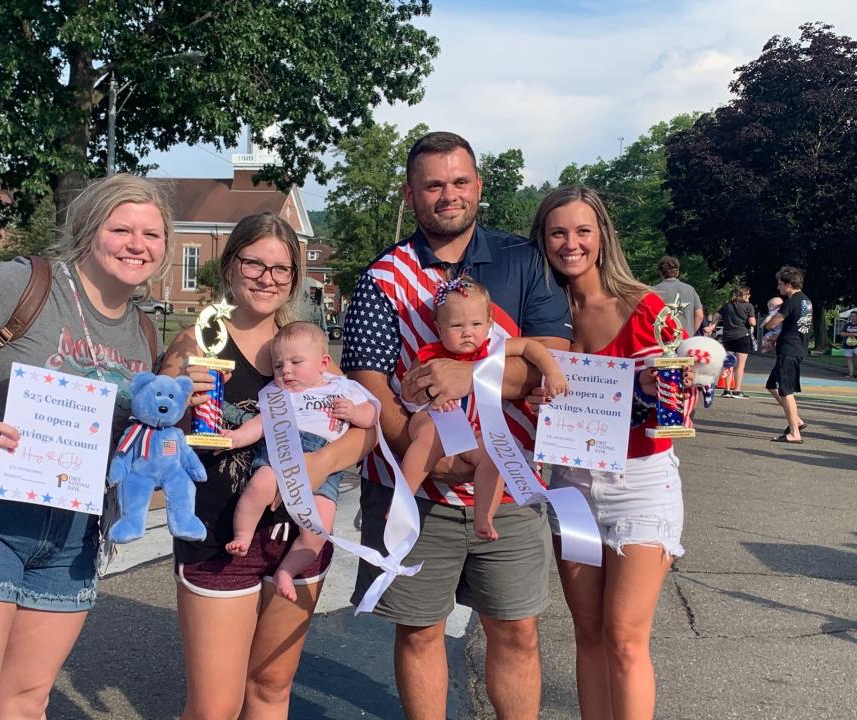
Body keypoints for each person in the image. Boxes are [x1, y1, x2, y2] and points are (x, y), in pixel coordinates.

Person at [0, 173, 173, 719]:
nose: (137, 244)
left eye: (152, 234)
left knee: (25, 702)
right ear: (90, 229)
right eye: (121, 229)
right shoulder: (23, 283)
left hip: (67, 533)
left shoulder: (145, 333)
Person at [342, 130, 572, 719]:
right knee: (420, 631)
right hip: (416, 487)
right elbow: (370, 386)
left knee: (516, 630)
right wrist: (431, 463)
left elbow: (550, 370)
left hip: (510, 478)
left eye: (460, 181)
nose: (449, 194)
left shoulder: (527, 263)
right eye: (434, 184)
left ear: (479, 186)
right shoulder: (381, 279)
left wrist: (476, 375)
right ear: (411, 194)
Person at [160, 213, 376, 720]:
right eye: (254, 263)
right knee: (215, 706)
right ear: (230, 266)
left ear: (295, 278)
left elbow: (363, 431)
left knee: (272, 687)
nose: (268, 278)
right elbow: (158, 413)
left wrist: (318, 464)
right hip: (218, 532)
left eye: (282, 269)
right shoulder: (198, 342)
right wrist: (175, 394)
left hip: (297, 533)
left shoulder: (308, 349)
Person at [530, 186, 689, 720]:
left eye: (582, 231)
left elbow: (682, 407)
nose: (570, 244)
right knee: (589, 633)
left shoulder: (646, 307)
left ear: (602, 237)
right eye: (558, 232)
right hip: (570, 484)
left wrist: (651, 389)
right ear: (543, 240)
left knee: (624, 637)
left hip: (638, 484)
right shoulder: (540, 314)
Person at [400, 275, 569, 541]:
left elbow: (530, 347)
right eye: (456, 325)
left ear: (489, 323)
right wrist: (424, 399)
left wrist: (553, 373)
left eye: (476, 324)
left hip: (472, 433)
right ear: (438, 327)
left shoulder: (492, 350)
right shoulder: (429, 356)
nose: (468, 332)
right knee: (429, 435)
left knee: (496, 453)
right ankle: (402, 499)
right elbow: (409, 398)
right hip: (434, 422)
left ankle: (483, 517)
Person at [223, 321, 376, 601]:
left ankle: (287, 570)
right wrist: (234, 437)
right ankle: (243, 534)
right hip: (283, 451)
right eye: (278, 366)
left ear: (323, 363)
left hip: (326, 464)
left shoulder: (343, 387)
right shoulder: (279, 395)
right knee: (261, 484)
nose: (286, 371)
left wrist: (354, 412)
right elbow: (260, 423)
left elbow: (371, 418)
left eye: (296, 362)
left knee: (320, 526)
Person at [764, 266, 812, 444]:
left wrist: (769, 323)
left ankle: (794, 432)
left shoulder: (790, 302)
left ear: (789, 285)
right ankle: (796, 421)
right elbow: (796, 325)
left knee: (786, 391)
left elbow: (771, 324)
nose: (778, 288)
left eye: (780, 285)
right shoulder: (806, 301)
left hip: (789, 350)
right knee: (771, 385)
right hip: (798, 346)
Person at [706, 286, 756, 398]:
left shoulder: (727, 305)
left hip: (728, 338)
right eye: (747, 294)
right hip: (743, 337)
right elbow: (752, 322)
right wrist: (750, 320)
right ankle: (737, 390)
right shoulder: (749, 306)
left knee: (729, 364)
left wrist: (712, 326)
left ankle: (727, 390)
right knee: (740, 366)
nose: (749, 296)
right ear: (742, 295)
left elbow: (716, 316)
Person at [652, 255, 703, 336]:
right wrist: (691, 332)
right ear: (678, 272)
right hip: (685, 339)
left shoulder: (653, 291)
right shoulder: (690, 289)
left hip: (662, 339)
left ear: (660, 272)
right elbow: (699, 315)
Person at [838, 312, 857, 379]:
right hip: (847, 345)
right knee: (849, 359)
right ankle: (851, 374)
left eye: (854, 316)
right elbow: (842, 333)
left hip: (856, 345)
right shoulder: (846, 325)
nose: (853, 317)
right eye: (852, 316)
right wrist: (851, 334)